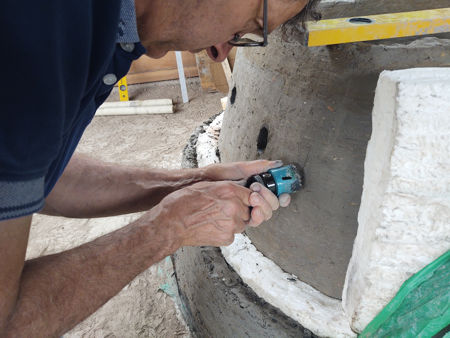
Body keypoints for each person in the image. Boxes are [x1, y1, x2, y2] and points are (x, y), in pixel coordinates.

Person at [0, 0, 312, 335]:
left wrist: (190, 183)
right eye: (251, 24)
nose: (221, 53)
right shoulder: (38, 38)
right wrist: (169, 228)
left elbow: (36, 174)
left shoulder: (99, 29)